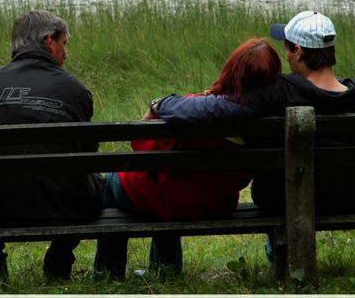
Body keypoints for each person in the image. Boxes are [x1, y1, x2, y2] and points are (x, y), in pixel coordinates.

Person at [150, 11, 355, 263]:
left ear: (298, 51)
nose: (284, 55)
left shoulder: (277, 94)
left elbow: (214, 109)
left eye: (286, 48)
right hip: (345, 199)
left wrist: (163, 104)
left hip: (280, 199)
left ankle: (278, 254)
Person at [93, 39, 282, 280]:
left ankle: (109, 272)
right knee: (169, 187)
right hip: (219, 203)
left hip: (170, 201)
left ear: (231, 71)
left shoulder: (193, 109)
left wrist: (155, 107)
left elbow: (141, 148)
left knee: (112, 183)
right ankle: (163, 269)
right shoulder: (269, 120)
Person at [0, 10, 103, 280]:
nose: (66, 53)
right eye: (64, 44)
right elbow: (87, 151)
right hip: (63, 203)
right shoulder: (75, 90)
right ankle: (60, 256)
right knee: (95, 183)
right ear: (50, 42)